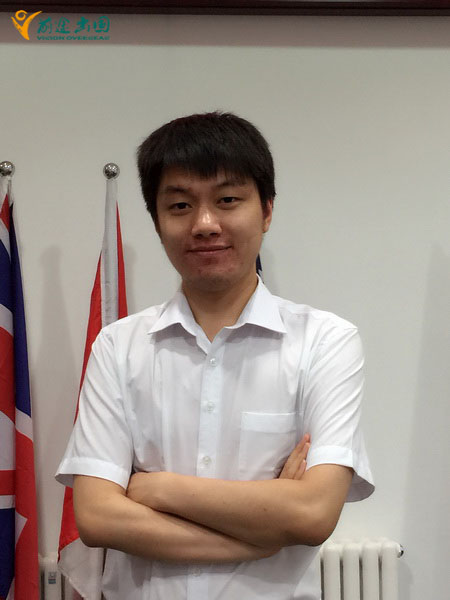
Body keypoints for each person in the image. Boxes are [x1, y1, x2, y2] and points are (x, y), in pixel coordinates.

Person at [56, 110, 374, 600]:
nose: (205, 224)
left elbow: (313, 514)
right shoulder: (118, 346)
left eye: (227, 200)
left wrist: (158, 489)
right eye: (180, 205)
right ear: (157, 221)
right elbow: (97, 517)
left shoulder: (325, 341)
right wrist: (265, 535)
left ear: (266, 211)